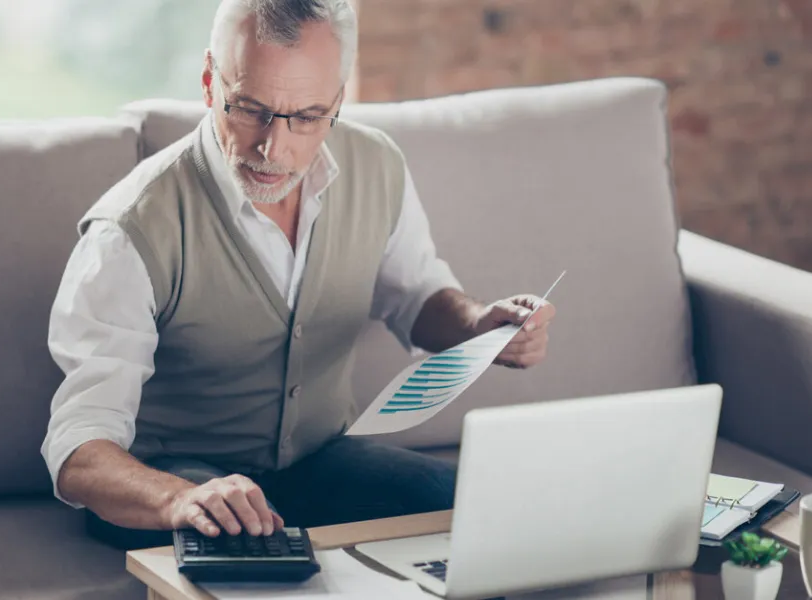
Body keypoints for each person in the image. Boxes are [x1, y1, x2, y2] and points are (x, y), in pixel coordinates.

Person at [42, 0, 556, 551]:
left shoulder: (378, 166)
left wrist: (480, 324)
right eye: (249, 109)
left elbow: (417, 297)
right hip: (177, 476)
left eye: (307, 117)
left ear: (336, 100)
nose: (273, 148)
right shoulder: (130, 229)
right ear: (210, 82)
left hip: (321, 458)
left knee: (484, 517)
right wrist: (177, 499)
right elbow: (79, 448)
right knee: (248, 552)